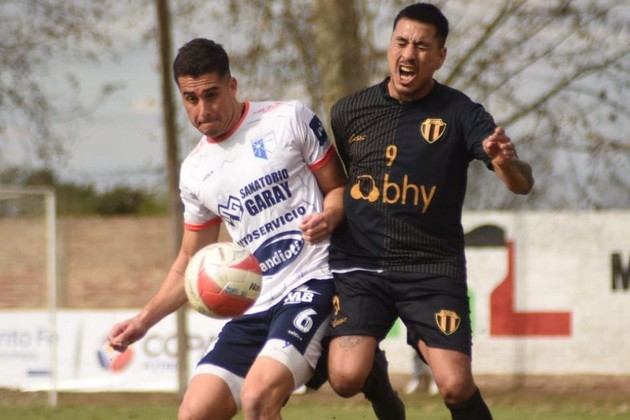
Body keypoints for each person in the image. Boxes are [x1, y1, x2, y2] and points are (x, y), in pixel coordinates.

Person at [108, 38, 347, 420]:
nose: (202, 110)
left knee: (257, 399)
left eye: (212, 95)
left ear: (232, 85)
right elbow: (189, 260)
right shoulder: (195, 171)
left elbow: (339, 188)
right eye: (190, 99)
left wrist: (329, 216)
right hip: (253, 303)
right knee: (194, 412)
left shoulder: (288, 118)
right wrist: (142, 321)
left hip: (312, 283)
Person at [325, 3, 534, 420]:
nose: (409, 54)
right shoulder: (348, 112)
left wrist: (506, 162)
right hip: (360, 266)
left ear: (440, 56)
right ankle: (378, 382)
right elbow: (342, 186)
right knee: (345, 378)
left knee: (455, 386)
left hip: (431, 268)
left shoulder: (462, 113)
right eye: (401, 42)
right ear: (389, 47)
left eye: (422, 46)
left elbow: (522, 184)